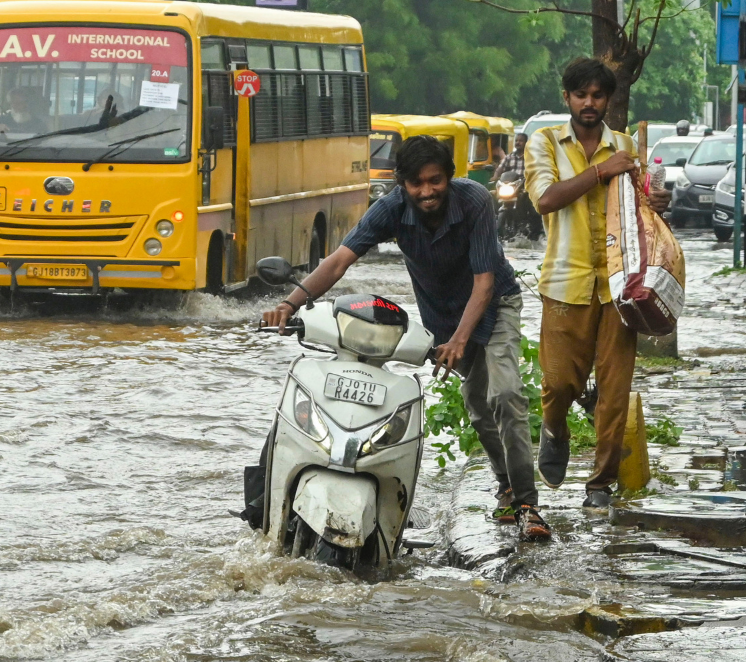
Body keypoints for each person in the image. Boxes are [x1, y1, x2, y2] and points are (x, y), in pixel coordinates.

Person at [261, 135, 552, 541]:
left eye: (435, 181)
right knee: (478, 406)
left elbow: (485, 282)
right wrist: (290, 305)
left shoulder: (474, 202)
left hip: (494, 304)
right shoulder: (391, 209)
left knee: (504, 395)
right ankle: (505, 484)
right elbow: (340, 260)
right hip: (444, 316)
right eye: (416, 183)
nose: (427, 191)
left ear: (449, 177)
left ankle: (527, 503)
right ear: (402, 184)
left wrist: (460, 341)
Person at [523, 58, 671, 509]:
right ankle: (555, 428)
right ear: (566, 97)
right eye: (581, 95)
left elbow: (640, 207)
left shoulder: (624, 145)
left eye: (598, 96)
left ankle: (600, 484)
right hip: (564, 282)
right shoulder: (544, 142)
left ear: (607, 101)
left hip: (621, 285)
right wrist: (600, 172)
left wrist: (657, 200)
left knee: (614, 388)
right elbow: (545, 200)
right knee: (559, 381)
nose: (590, 103)